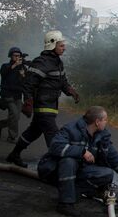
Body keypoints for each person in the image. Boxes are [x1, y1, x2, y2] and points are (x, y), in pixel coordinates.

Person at [37, 106, 118, 217]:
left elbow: (112, 155)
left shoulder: (101, 135)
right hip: (57, 172)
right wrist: (82, 152)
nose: (107, 122)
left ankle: (73, 192)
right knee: (68, 161)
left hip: (79, 171)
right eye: (105, 120)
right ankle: (65, 204)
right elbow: (55, 146)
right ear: (97, 122)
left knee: (106, 173)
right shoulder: (71, 129)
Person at [5, 30, 80, 168]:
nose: (64, 48)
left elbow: (63, 82)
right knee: (54, 136)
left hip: (51, 105)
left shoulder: (57, 62)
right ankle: (56, 166)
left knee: (33, 132)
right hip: (43, 106)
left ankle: (14, 154)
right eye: (61, 45)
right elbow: (28, 83)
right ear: (52, 45)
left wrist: (71, 91)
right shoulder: (42, 62)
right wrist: (28, 101)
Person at [0, 47, 28, 143]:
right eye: (15, 55)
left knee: (16, 117)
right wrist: (14, 65)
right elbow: (4, 74)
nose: (17, 57)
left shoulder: (22, 68)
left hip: (18, 95)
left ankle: (0, 125)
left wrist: (23, 76)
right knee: (14, 114)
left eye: (19, 56)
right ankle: (12, 137)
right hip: (8, 95)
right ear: (11, 56)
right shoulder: (5, 66)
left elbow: (26, 82)